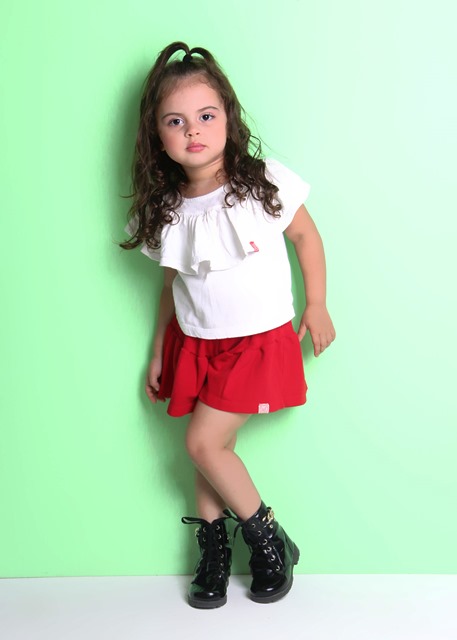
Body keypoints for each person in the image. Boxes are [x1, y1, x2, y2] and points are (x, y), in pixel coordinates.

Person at [121, 41, 336, 608]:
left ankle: (270, 539)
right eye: (175, 121)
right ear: (158, 136)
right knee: (212, 448)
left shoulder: (260, 182)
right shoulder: (167, 209)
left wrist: (316, 303)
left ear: (228, 117)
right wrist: (160, 351)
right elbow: (170, 287)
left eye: (206, 115)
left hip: (257, 341)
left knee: (202, 442)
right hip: (197, 343)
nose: (193, 130)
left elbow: (306, 237)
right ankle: (214, 554)